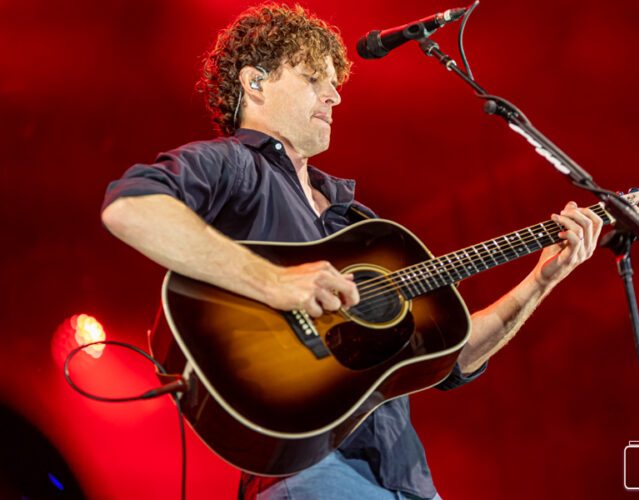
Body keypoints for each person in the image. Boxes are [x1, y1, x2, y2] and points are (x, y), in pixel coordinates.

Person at [101, 4, 603, 500]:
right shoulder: (233, 165)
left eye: (334, 83)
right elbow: (130, 208)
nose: (335, 95)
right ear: (255, 82)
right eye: (312, 78)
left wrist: (542, 279)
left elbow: (451, 360)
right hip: (307, 473)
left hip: (406, 480)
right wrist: (275, 282)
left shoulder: (361, 226)